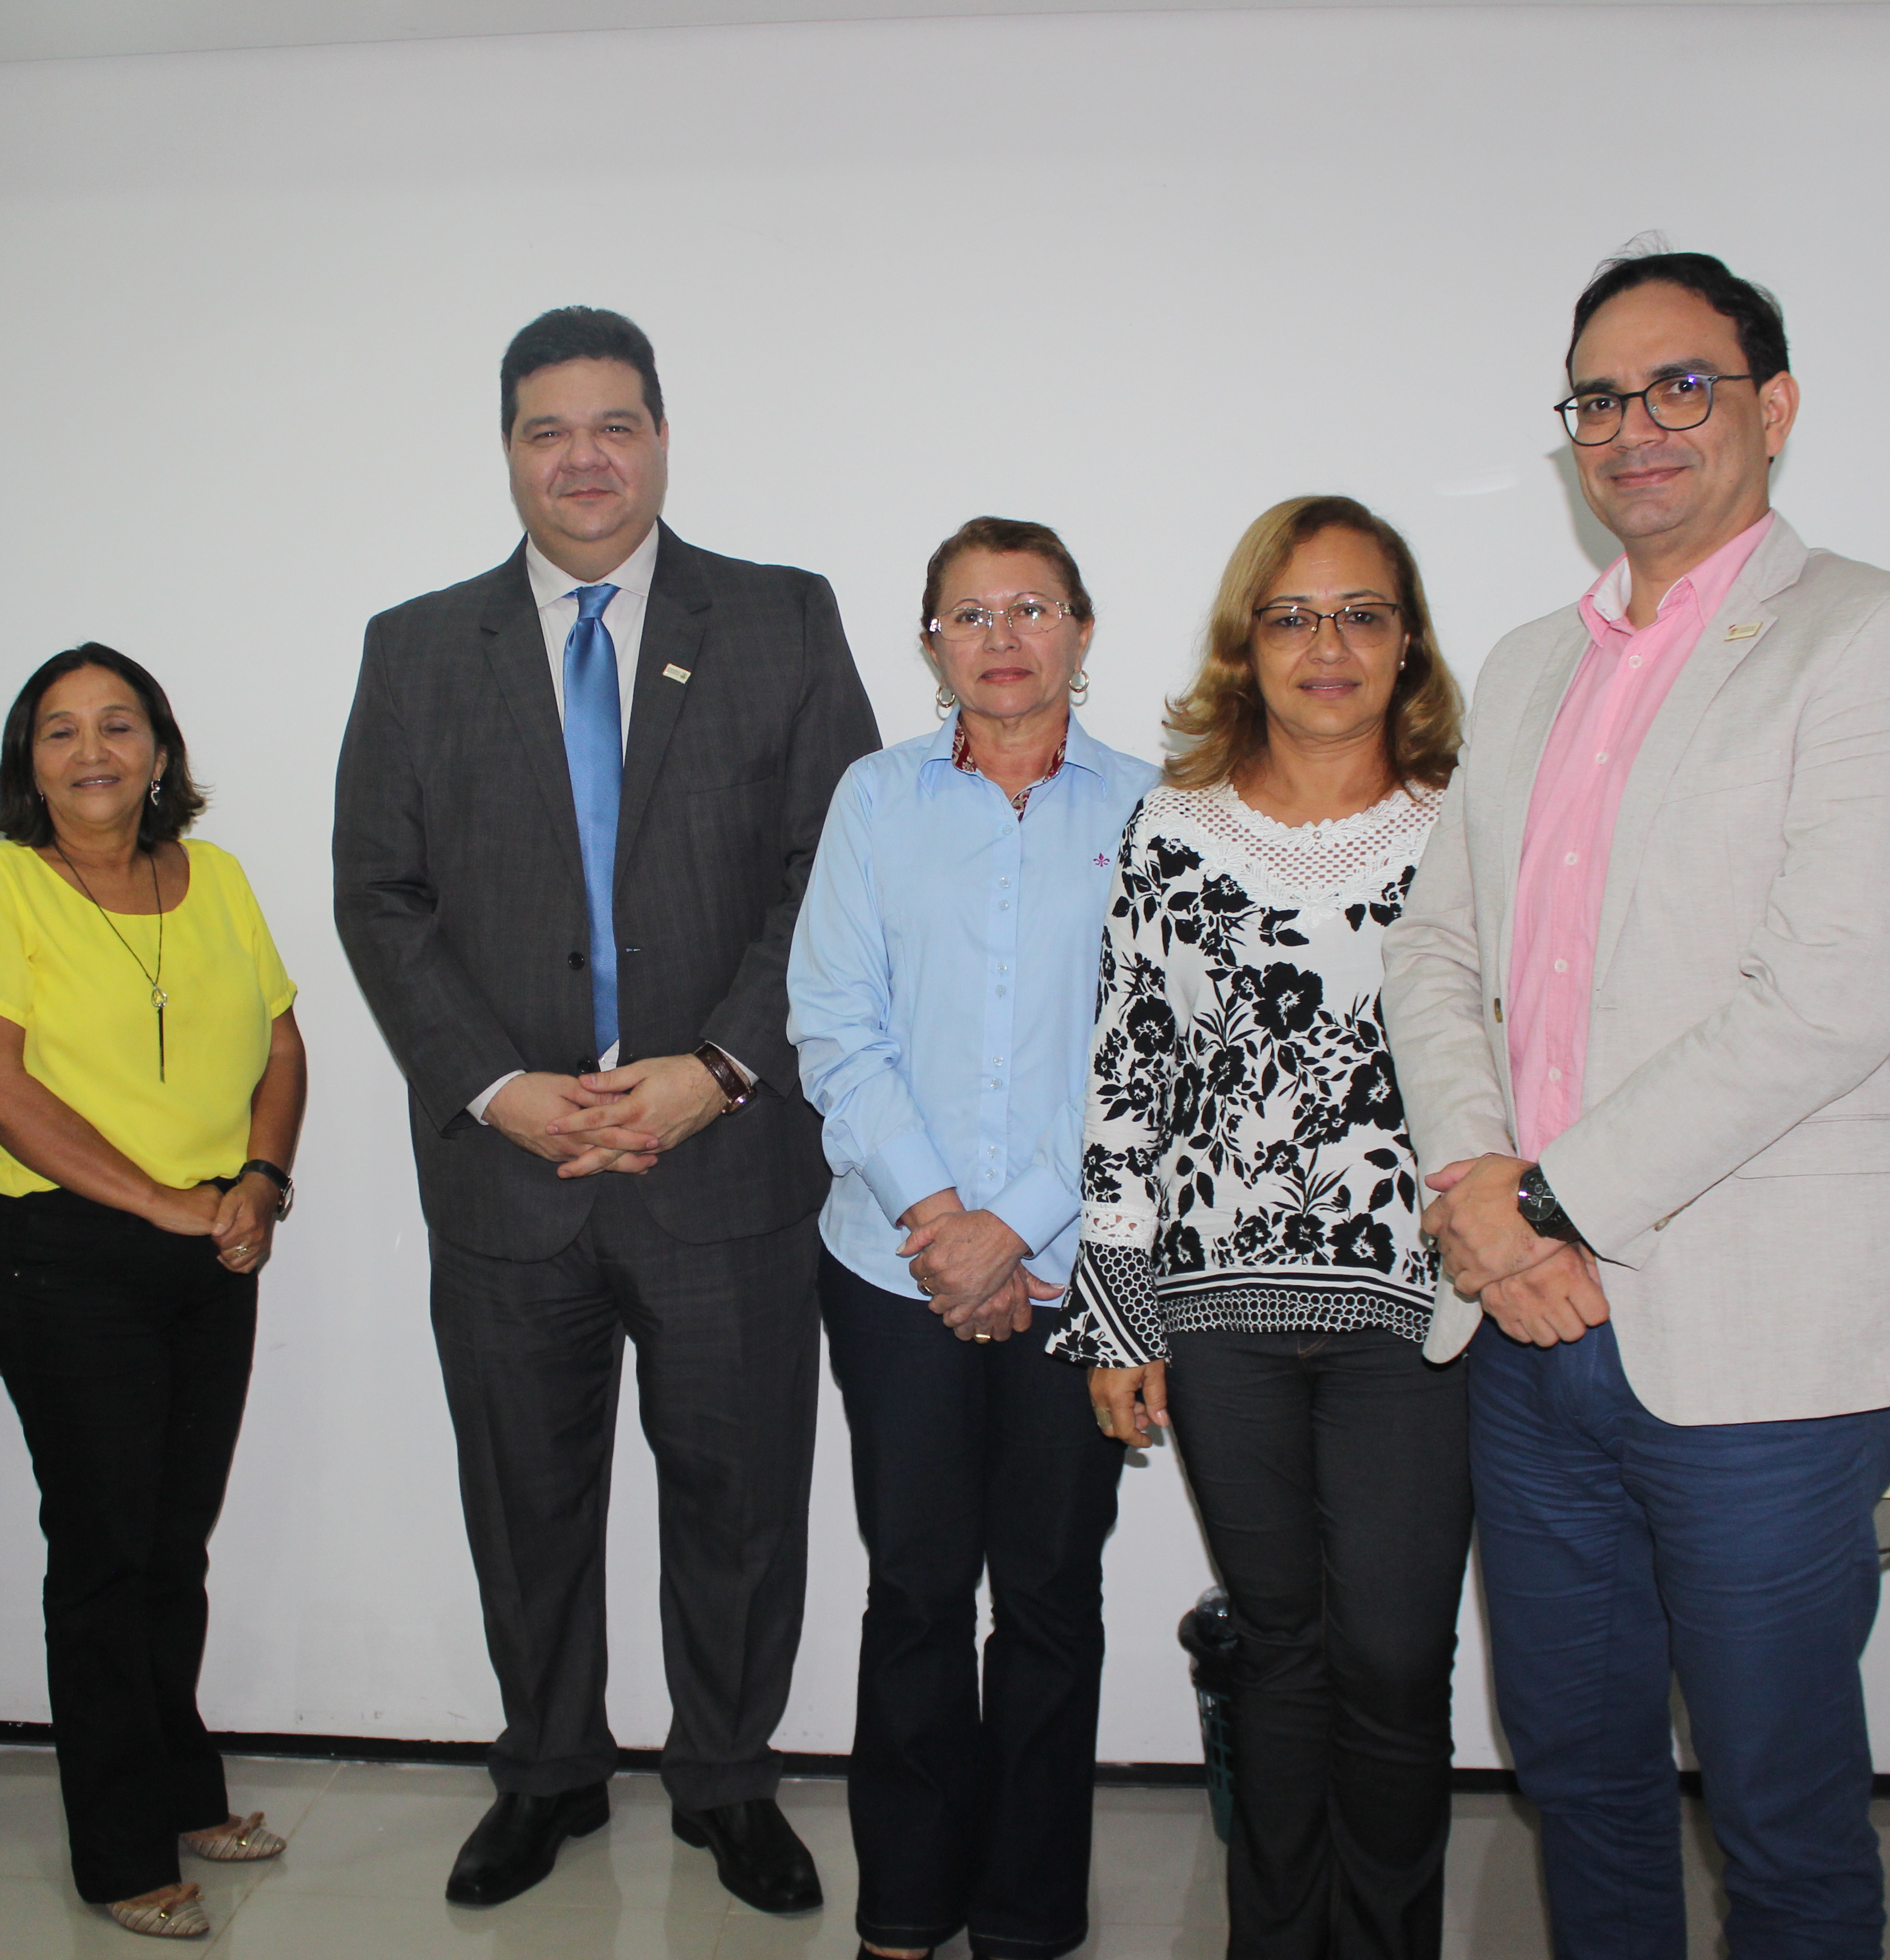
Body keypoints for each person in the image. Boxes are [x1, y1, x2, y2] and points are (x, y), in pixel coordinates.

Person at [1382, 250, 1890, 1954]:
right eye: (1597, 399)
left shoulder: (1873, 634)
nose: (1634, 428)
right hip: (1526, 1338)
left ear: (1770, 409)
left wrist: (1535, 1205)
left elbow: (1832, 996)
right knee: (1578, 1776)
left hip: (1758, 1352)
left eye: (1680, 387)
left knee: (1782, 1811)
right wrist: (1481, 1193)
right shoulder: (1521, 667)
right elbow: (1435, 953)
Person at [332, 306, 878, 1915]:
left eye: (616, 424)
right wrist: (501, 1090)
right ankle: (550, 1770)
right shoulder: (417, 646)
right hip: (516, 1179)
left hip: (726, 1166)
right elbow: (383, 897)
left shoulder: (781, 620)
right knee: (527, 1500)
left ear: (661, 436)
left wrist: (715, 1070)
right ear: (508, 448)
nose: (584, 457)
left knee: (740, 1499)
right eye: (548, 428)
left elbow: (827, 882)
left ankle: (726, 1779)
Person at [1053, 496, 1472, 1959]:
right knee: (1283, 1654)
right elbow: (1128, 1081)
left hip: (1416, 1313)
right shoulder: (1172, 836)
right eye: (1293, 616)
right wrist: (1116, 1312)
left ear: (1406, 641)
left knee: (1398, 1656)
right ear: (1249, 645)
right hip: (1218, 1311)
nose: (1328, 647)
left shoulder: (1467, 831)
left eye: (1362, 613)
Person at [787, 518, 1155, 1960]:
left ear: (1080, 628)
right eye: (968, 614)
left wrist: (1020, 1226)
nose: (1002, 637)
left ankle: (1026, 1912)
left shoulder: (1156, 811)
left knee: (1054, 1599)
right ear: (930, 643)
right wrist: (947, 1226)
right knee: (921, 1590)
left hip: (1082, 1271)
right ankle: (907, 1901)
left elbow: (1153, 1056)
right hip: (895, 1269)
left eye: (1032, 607)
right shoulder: (874, 801)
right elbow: (834, 1021)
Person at [0, 645, 306, 1940]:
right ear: (26, 761)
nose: (92, 753)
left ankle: (185, 1787)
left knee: (170, 1546)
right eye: (59, 732)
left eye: (119, 726)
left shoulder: (221, 878)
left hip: (215, 1248)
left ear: (161, 750)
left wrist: (258, 1182)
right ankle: (118, 1850)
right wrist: (165, 1203)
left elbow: (279, 1040)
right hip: (68, 1254)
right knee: (102, 1554)